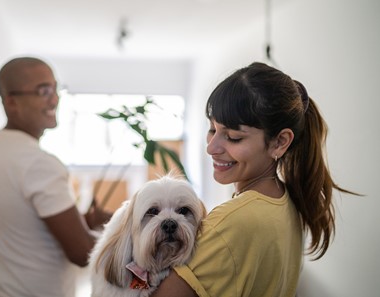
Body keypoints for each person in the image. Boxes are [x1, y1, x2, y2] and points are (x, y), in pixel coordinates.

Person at [151, 62, 356, 297]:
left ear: (280, 142)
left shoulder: (232, 222)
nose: (212, 147)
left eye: (233, 137)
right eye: (212, 129)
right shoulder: (284, 202)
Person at [0, 57, 111, 297]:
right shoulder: (39, 164)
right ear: (11, 102)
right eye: (43, 90)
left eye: (55, 88)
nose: (54, 99)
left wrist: (82, 221)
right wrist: (120, 232)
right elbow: (82, 253)